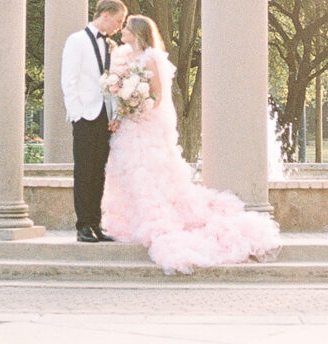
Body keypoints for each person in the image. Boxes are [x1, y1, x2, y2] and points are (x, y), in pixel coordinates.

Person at [100, 14, 281, 274]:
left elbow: (158, 96)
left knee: (148, 173)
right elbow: (117, 88)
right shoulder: (125, 56)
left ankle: (157, 220)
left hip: (144, 124)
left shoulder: (151, 58)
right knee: (128, 174)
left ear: (138, 33)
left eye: (127, 28)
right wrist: (120, 110)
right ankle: (131, 221)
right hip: (126, 127)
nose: (123, 32)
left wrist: (137, 106)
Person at [61, 0, 126, 243]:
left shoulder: (112, 46)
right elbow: (69, 80)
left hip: (105, 117)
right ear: (105, 14)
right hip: (85, 115)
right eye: (118, 21)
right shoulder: (76, 41)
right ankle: (83, 225)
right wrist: (77, 114)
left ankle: (96, 224)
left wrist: (115, 114)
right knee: (85, 171)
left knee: (99, 172)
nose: (119, 27)